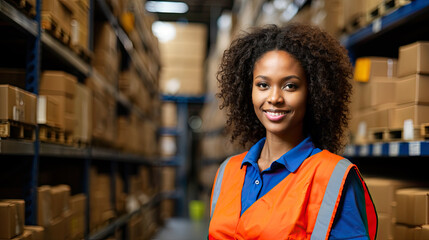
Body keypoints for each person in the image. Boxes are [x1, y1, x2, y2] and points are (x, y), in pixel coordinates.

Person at [208, 23, 377, 240]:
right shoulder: (228, 171)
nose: (274, 98)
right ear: (247, 90)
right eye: (262, 85)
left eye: (290, 86)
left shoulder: (332, 176)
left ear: (313, 92)